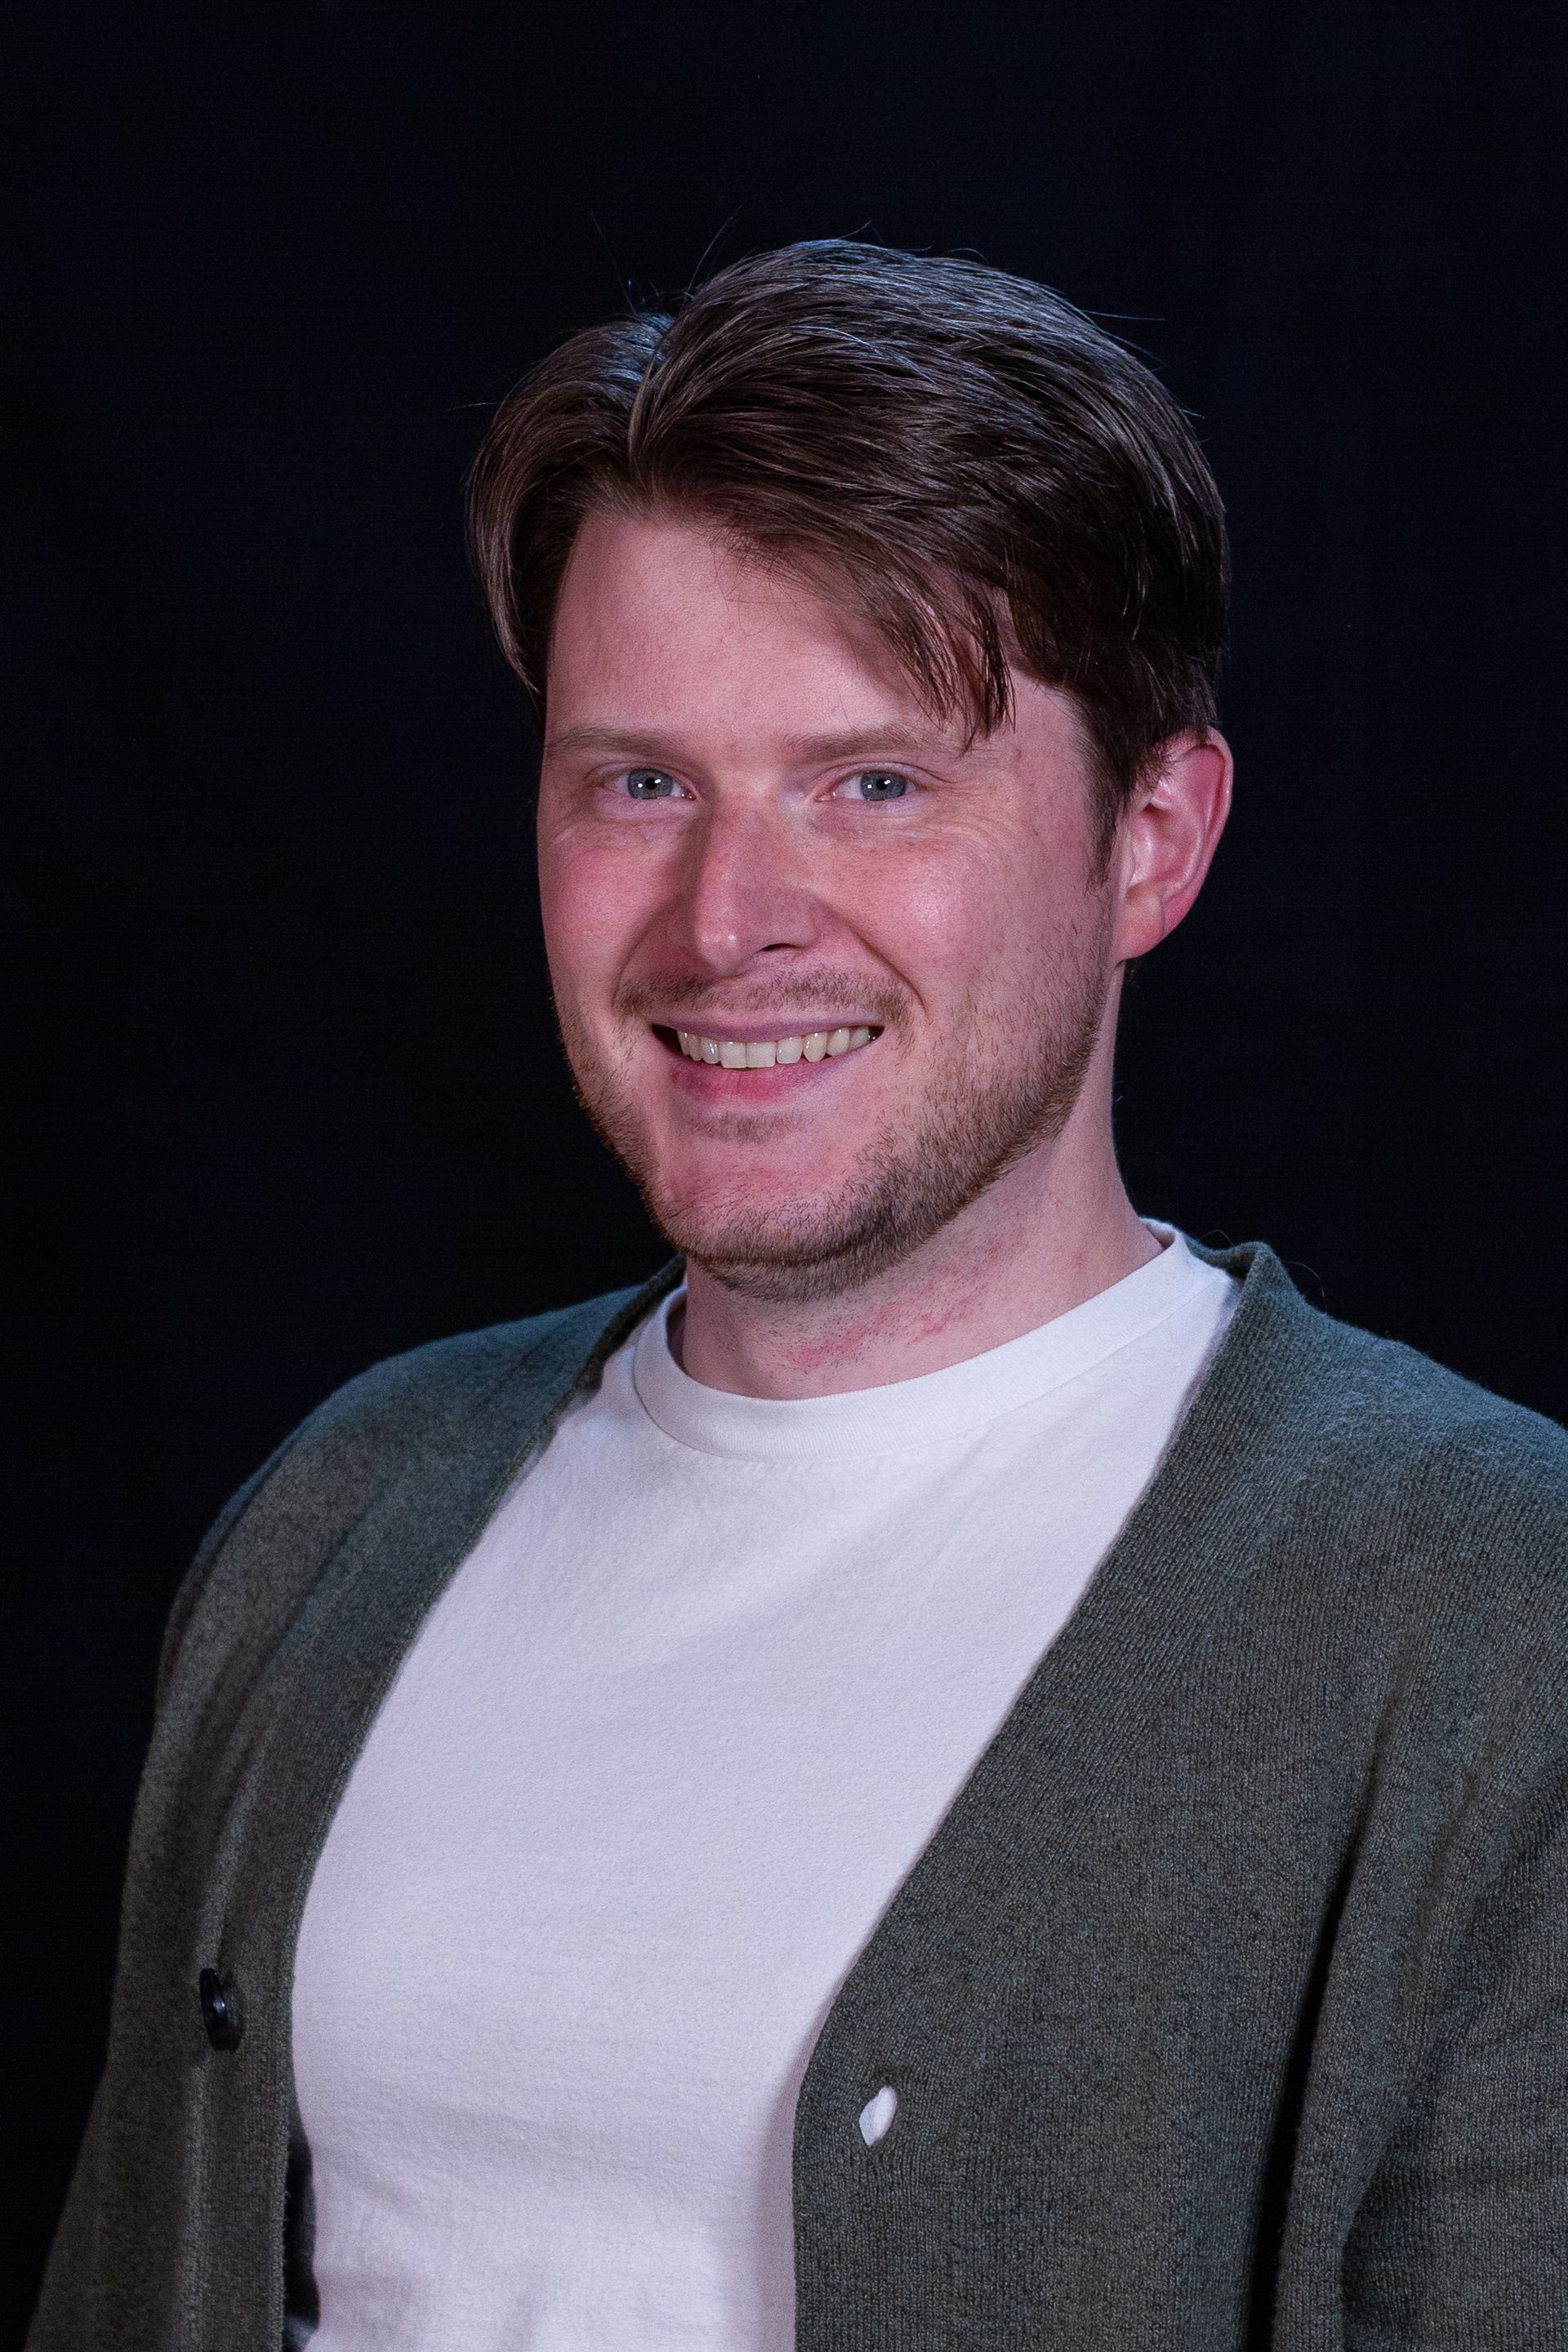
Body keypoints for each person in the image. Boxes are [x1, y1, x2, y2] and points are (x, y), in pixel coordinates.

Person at [28, 241, 1568, 2352]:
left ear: (1155, 838)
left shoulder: (1484, 1616)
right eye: (641, 784)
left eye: (874, 784)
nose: (728, 921)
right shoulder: (340, 1515)